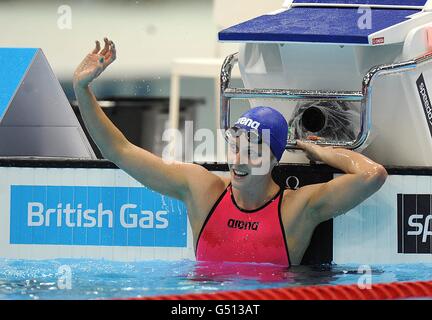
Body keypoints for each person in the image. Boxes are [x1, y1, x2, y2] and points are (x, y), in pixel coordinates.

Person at [73, 38, 388, 267]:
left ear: (274, 159)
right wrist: (82, 91)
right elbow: (119, 150)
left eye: (253, 150)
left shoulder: (297, 210)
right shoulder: (202, 190)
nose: (238, 160)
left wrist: (321, 151)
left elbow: (373, 176)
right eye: (236, 147)